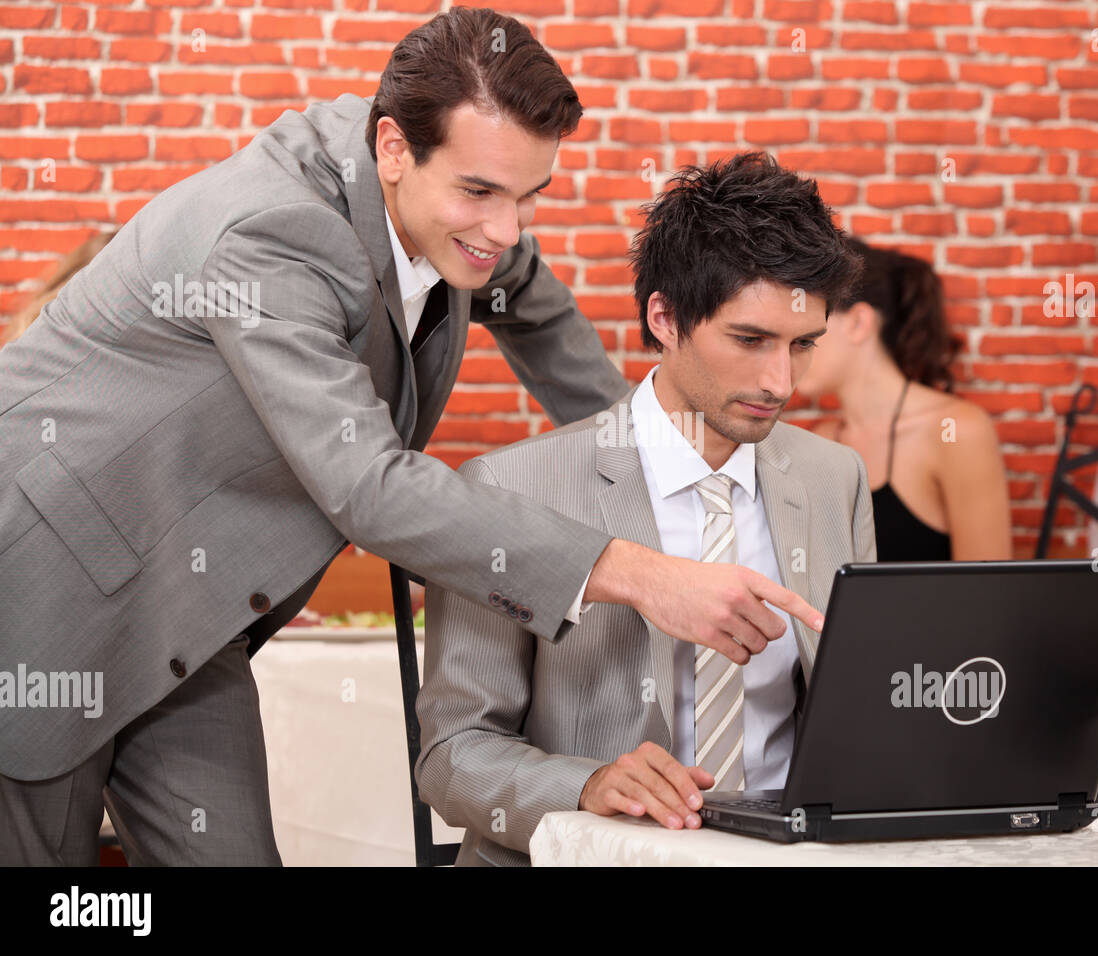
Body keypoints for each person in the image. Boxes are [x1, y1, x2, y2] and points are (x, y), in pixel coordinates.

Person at [0, 10, 822, 866]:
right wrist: (643, 573)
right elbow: (370, 487)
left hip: (186, 608)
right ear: (393, 147)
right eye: (482, 193)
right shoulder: (273, 234)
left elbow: (544, 325)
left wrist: (668, 470)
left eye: (529, 196)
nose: (506, 231)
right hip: (44, 587)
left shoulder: (451, 210)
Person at [416, 152, 877, 866]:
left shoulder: (834, 477)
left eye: (803, 345)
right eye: (750, 340)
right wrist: (587, 784)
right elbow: (452, 757)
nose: (780, 381)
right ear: (664, 317)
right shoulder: (510, 487)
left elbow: (862, 704)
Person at [797, 239, 1012, 561]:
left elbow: (989, 585)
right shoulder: (821, 441)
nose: (789, 350)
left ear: (858, 323)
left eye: (805, 334)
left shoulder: (956, 431)